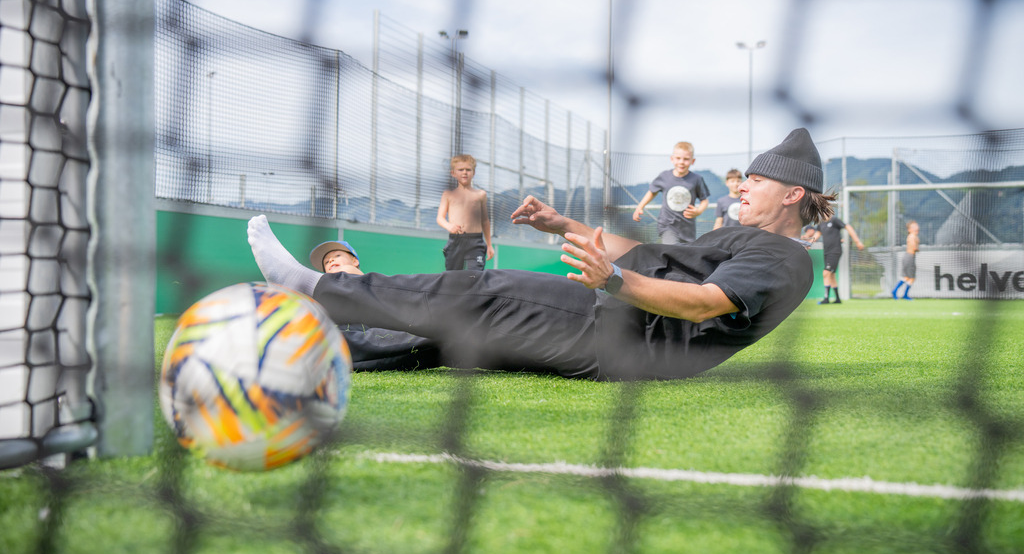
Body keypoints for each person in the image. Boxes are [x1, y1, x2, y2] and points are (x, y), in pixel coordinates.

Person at [248, 128, 834, 381]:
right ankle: (319, 355)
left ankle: (320, 289)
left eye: (753, 182)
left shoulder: (785, 258)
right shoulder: (744, 237)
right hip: (620, 336)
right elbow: (649, 254)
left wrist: (613, 285)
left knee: (485, 290)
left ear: (792, 194)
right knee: (459, 336)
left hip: (624, 333)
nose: (740, 188)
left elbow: (706, 304)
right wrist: (565, 225)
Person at [307, 239, 443, 371]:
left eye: (337, 255)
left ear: (355, 261)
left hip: (375, 333)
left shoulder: (355, 277)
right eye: (326, 261)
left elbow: (350, 279)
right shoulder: (322, 296)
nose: (331, 260)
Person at [632, 141, 711, 244]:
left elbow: (704, 200)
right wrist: (640, 207)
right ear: (672, 159)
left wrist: (698, 211)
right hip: (667, 226)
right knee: (672, 248)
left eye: (686, 159)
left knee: (685, 255)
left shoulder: (697, 179)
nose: (681, 162)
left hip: (687, 229)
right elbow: (652, 191)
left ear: (693, 161)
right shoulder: (664, 177)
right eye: (678, 158)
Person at [436, 154, 494, 271]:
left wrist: (489, 245)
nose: (464, 172)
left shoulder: (481, 194)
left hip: (476, 241)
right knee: (452, 276)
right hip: (456, 240)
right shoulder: (448, 194)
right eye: (460, 170)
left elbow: (484, 220)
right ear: (453, 173)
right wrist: (449, 226)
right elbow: (440, 218)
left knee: (475, 275)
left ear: (473, 172)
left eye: (468, 170)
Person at [810, 215, 865, 304]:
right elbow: (816, 235)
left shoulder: (834, 220)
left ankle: (826, 299)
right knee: (831, 275)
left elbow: (848, 227)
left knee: (826, 273)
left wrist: (857, 241)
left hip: (835, 251)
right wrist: (808, 243)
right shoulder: (821, 224)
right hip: (827, 252)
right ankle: (838, 299)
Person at [891, 220, 919, 300]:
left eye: (916, 226)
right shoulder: (912, 236)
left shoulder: (913, 236)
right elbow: (914, 247)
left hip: (909, 257)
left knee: (906, 277)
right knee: (911, 277)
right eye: (914, 227)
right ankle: (904, 294)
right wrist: (916, 248)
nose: (916, 228)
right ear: (909, 229)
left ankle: (896, 291)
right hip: (909, 257)